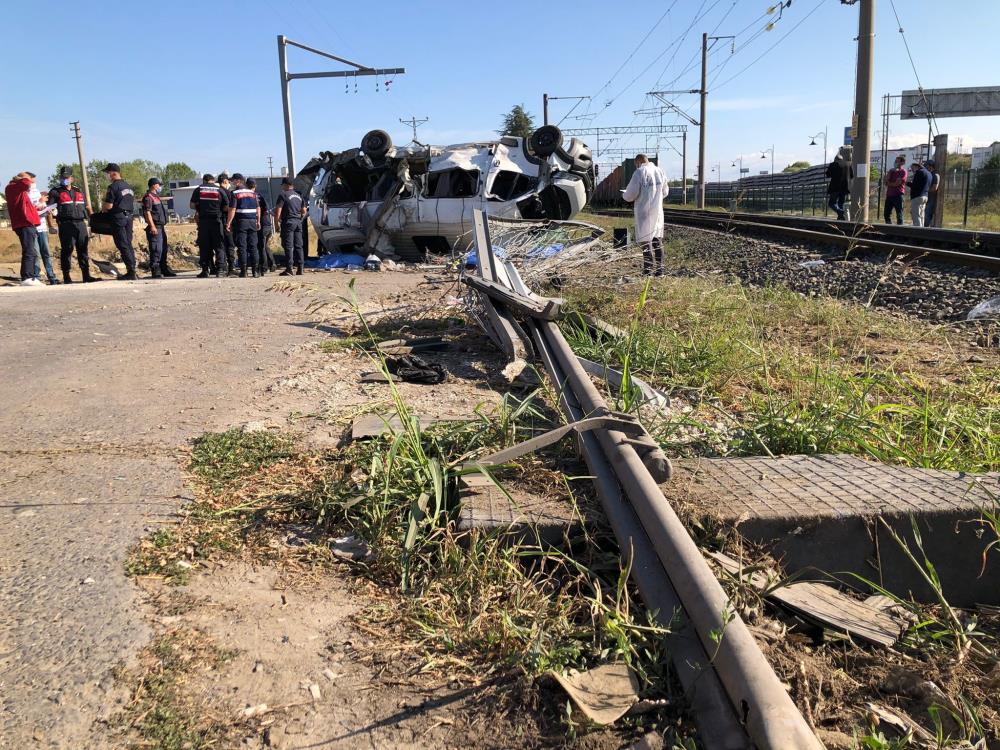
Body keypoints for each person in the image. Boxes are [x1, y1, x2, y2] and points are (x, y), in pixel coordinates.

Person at [622, 154, 667, 276]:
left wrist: (624, 195)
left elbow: (630, 194)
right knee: (657, 240)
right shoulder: (660, 171)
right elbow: (665, 191)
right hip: (657, 211)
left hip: (643, 212)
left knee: (646, 241)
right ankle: (660, 270)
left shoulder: (639, 172)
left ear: (638, 162)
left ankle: (647, 270)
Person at [47, 168, 96, 283]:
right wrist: (50, 225)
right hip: (66, 224)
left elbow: (87, 207)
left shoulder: (78, 190)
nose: (65, 180)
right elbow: (49, 210)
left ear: (72, 178)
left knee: (83, 249)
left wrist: (92, 220)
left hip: (80, 224)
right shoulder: (55, 191)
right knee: (67, 250)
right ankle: (67, 276)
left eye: (67, 177)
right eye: (63, 177)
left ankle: (86, 275)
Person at [101, 163, 138, 280]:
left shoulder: (113, 187)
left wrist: (102, 209)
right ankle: (133, 270)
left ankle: (131, 271)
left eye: (107, 173)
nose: (107, 175)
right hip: (129, 217)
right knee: (128, 243)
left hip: (118, 218)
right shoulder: (128, 186)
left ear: (113, 172)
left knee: (122, 244)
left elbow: (109, 206)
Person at [5, 172, 42, 285]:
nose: (32, 183)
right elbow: (26, 184)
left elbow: (25, 207)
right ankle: (27, 277)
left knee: (31, 251)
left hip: (28, 223)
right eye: (31, 180)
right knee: (29, 251)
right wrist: (25, 178)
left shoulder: (19, 189)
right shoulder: (13, 187)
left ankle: (30, 276)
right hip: (24, 223)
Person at [190, 173, 230, 277]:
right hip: (217, 221)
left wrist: (201, 208)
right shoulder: (219, 190)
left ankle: (205, 270)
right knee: (219, 246)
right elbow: (227, 207)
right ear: (213, 180)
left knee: (204, 246)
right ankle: (220, 270)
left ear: (204, 181)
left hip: (203, 222)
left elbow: (192, 205)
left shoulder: (198, 190)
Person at [225, 173, 261, 278]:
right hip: (252, 221)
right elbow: (258, 208)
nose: (231, 182)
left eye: (233, 181)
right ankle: (255, 271)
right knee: (253, 246)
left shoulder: (235, 193)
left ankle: (244, 271)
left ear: (238, 181)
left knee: (242, 247)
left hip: (241, 222)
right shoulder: (252, 193)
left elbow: (232, 209)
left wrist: (229, 223)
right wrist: (258, 221)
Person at [141, 178, 175, 278]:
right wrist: (152, 226)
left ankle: (164, 268)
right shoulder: (148, 197)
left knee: (163, 249)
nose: (160, 187)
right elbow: (147, 212)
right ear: (154, 185)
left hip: (161, 227)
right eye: (159, 185)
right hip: (155, 227)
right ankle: (155, 269)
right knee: (156, 250)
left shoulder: (156, 197)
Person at [273, 177, 305, 276]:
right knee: (299, 246)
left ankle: (289, 268)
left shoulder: (283, 195)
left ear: (285, 185)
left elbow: (277, 211)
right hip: (298, 222)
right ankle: (300, 268)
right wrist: (299, 219)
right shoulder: (298, 195)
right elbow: (304, 211)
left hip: (288, 222)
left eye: (282, 185)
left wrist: (276, 225)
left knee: (288, 246)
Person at [31, 188, 60, 284]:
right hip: (33, 229)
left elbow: (46, 213)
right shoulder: (27, 196)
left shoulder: (41, 197)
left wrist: (51, 225)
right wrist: (39, 203)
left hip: (43, 229)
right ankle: (37, 277)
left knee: (46, 253)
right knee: (36, 254)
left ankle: (51, 276)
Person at [249, 178, 276, 274]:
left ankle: (264, 267)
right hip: (268, 224)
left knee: (261, 247)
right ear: (255, 186)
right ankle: (272, 264)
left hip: (261, 225)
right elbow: (268, 210)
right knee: (265, 246)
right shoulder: (261, 196)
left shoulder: (251, 196)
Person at [826, 146, 853, 221]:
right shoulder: (848, 165)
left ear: (835, 160)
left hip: (835, 187)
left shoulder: (833, 165)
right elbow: (851, 176)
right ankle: (841, 217)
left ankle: (841, 212)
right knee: (841, 202)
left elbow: (828, 175)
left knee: (832, 203)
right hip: (845, 187)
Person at [217, 172, 237, 273]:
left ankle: (222, 267)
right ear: (225, 181)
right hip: (226, 220)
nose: (229, 182)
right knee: (230, 245)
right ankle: (231, 268)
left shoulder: (216, 191)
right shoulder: (228, 193)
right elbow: (228, 208)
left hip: (216, 221)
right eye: (228, 181)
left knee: (221, 245)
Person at [883, 155, 907, 225]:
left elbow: (897, 183)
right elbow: (885, 181)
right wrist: (890, 172)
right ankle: (889, 229)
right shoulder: (891, 171)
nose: (895, 162)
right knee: (886, 214)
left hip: (898, 195)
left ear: (902, 163)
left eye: (897, 161)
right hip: (889, 195)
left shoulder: (903, 172)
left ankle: (900, 231)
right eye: (895, 161)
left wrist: (889, 183)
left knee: (899, 214)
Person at [907, 160, 931, 227]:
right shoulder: (929, 173)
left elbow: (915, 186)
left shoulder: (919, 172)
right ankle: (922, 230)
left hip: (917, 196)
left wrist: (907, 183)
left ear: (916, 166)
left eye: (912, 168)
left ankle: (918, 231)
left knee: (916, 215)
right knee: (921, 215)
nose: (912, 170)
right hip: (925, 196)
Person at [924, 160, 941, 227]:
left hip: (931, 198)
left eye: (926, 166)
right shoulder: (928, 174)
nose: (925, 167)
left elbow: (934, 188)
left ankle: (926, 230)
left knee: (927, 215)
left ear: (930, 166)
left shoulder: (935, 175)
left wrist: (925, 190)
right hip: (925, 197)